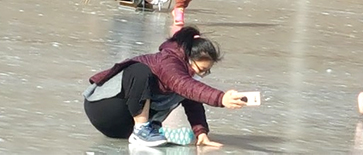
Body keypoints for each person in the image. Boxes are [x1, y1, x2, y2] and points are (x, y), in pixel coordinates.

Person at [82, 26, 247, 148]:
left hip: (122, 127)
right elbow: (184, 84)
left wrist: (201, 132)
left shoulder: (185, 71)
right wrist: (221, 98)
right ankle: (142, 130)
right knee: (140, 70)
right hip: (104, 106)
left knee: (185, 90)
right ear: (189, 58)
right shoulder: (168, 61)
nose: (202, 75)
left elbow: (193, 100)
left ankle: (147, 129)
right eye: (202, 70)